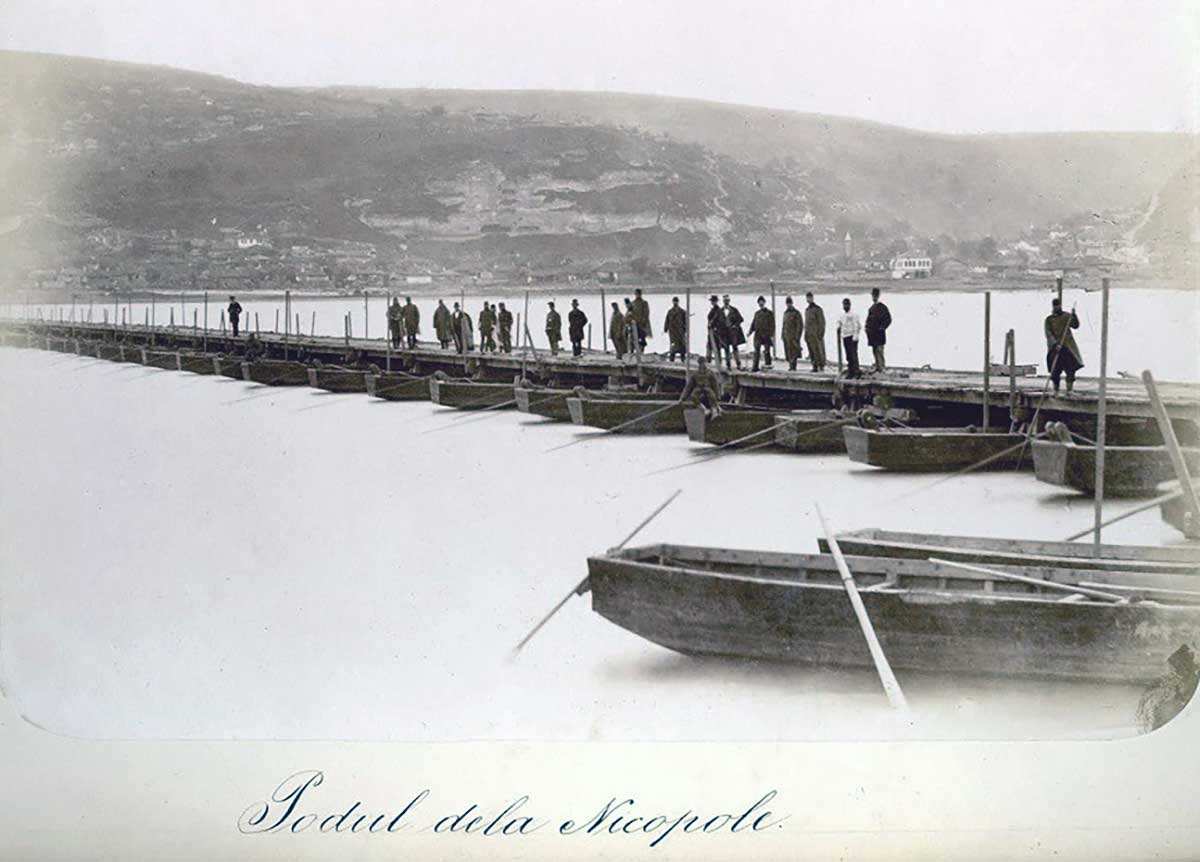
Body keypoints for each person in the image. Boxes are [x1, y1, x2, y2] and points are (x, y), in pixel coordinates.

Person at [1044, 297, 1083, 393]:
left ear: (1060, 305)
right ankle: (1056, 390)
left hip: (1067, 347)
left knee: (1070, 369)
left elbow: (1075, 325)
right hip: (1055, 349)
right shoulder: (1049, 320)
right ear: (1053, 307)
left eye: (1058, 305)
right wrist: (1055, 344)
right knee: (1055, 370)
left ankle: (1069, 390)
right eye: (1055, 306)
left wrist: (1074, 316)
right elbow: (1048, 334)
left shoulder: (1066, 316)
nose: (1057, 307)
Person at [865, 287, 892, 372]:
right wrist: (867, 328)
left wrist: (882, 327)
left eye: (875, 296)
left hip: (879, 334)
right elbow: (869, 320)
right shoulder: (872, 308)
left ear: (878, 296)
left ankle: (881, 368)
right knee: (875, 351)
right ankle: (878, 367)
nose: (874, 297)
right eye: (873, 296)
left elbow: (888, 319)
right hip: (872, 334)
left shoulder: (882, 307)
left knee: (879, 351)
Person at [748, 295, 775, 371]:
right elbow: (753, 324)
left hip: (766, 335)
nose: (760, 303)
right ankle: (755, 367)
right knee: (756, 351)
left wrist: (772, 335)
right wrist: (750, 332)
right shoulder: (757, 313)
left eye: (762, 302)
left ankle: (768, 365)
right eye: (759, 302)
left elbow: (772, 325)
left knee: (767, 351)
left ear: (764, 302)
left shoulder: (769, 313)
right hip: (758, 335)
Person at [837, 297, 862, 378]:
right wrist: (838, 325)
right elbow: (839, 322)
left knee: (853, 355)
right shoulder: (842, 315)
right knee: (848, 355)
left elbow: (857, 326)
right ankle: (850, 370)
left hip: (852, 337)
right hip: (845, 336)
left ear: (849, 305)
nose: (845, 306)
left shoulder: (854, 315)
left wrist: (855, 336)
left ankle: (856, 371)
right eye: (844, 305)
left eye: (846, 305)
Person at [804, 292, 826, 372]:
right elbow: (806, 323)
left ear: (812, 298)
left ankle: (821, 366)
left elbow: (822, 322)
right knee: (812, 351)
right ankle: (814, 365)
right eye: (807, 298)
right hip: (809, 334)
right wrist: (805, 334)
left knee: (819, 351)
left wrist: (821, 333)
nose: (808, 299)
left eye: (810, 297)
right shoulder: (807, 310)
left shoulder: (818, 309)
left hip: (816, 334)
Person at [781, 296, 804, 371]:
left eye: (789, 303)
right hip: (786, 336)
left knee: (794, 352)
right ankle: (791, 365)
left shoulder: (796, 313)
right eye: (787, 303)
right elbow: (784, 325)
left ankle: (793, 366)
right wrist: (782, 334)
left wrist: (797, 336)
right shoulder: (785, 313)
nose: (788, 305)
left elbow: (800, 325)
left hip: (793, 336)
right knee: (788, 352)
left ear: (792, 303)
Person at [722, 295, 745, 369]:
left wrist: (735, 325)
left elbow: (741, 319)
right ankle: (728, 365)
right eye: (725, 301)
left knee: (735, 348)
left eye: (727, 301)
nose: (726, 302)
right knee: (726, 349)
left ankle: (738, 364)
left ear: (729, 301)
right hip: (725, 333)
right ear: (723, 301)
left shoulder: (734, 310)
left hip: (733, 333)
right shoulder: (720, 311)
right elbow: (717, 321)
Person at [706, 294, 729, 367]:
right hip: (711, 332)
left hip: (716, 332)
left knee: (716, 347)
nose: (712, 302)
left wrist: (714, 327)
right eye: (712, 301)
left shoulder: (718, 310)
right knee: (710, 346)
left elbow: (720, 321)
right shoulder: (714, 309)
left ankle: (718, 362)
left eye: (713, 301)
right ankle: (709, 361)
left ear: (716, 301)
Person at [664, 296, 687, 361]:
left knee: (682, 346)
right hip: (673, 332)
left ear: (678, 302)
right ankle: (672, 359)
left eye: (676, 301)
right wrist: (665, 328)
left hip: (680, 332)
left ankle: (683, 359)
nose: (675, 302)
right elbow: (667, 320)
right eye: (674, 301)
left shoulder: (682, 311)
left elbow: (685, 321)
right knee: (673, 346)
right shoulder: (670, 311)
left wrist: (685, 329)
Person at [630, 288, 651, 354]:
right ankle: (633, 352)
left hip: (642, 325)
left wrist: (643, 321)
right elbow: (630, 313)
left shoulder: (644, 303)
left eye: (638, 294)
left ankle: (641, 351)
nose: (637, 295)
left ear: (640, 294)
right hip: (634, 324)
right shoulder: (632, 303)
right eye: (636, 294)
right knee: (632, 339)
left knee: (642, 338)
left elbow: (646, 313)